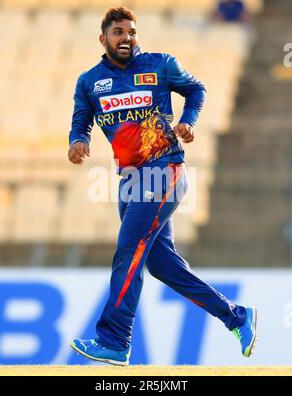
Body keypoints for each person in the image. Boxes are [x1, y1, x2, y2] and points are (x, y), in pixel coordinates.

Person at [68, 7, 257, 366]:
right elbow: (81, 121)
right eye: (118, 32)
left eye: (132, 32)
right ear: (103, 38)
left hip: (165, 170)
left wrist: (188, 120)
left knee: (129, 248)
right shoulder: (89, 81)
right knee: (163, 267)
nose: (126, 38)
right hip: (129, 179)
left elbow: (196, 90)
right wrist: (77, 142)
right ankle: (238, 317)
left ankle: (115, 339)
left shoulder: (161, 64)